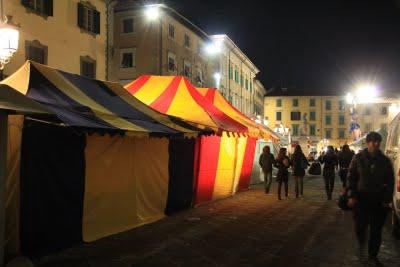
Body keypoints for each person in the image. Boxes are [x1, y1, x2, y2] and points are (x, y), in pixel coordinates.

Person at [347, 132, 394, 263]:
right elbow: (351, 177)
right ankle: (361, 243)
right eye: (373, 141)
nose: (376, 144)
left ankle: (373, 255)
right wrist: (351, 195)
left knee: (376, 230)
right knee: (360, 227)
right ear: (367, 143)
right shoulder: (358, 158)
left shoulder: (385, 161)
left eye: (378, 141)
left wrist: (387, 199)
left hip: (378, 200)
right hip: (361, 199)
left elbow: (390, 181)